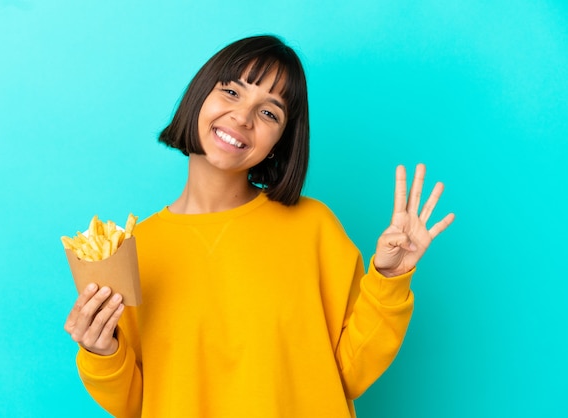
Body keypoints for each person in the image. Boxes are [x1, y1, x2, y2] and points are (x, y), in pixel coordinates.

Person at [64, 35, 454, 418]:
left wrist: (389, 279)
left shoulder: (312, 227)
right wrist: (101, 352)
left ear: (281, 141)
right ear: (199, 95)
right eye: (231, 92)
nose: (242, 117)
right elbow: (138, 404)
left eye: (269, 113)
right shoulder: (134, 250)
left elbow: (348, 373)